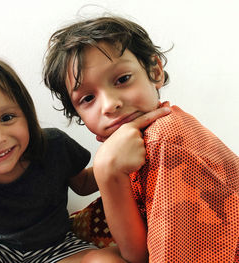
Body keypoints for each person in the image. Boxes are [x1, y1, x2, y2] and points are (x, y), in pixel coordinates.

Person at [43, 15, 239, 262]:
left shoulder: (165, 140)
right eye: (87, 99)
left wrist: (107, 172)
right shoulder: (133, 142)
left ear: (155, 71)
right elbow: (136, 252)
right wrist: (108, 171)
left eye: (122, 79)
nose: (110, 104)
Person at [0, 56, 141, 263]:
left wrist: (111, 160)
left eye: (7, 117)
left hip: (57, 246)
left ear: (27, 116)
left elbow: (82, 184)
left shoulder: (54, 145)